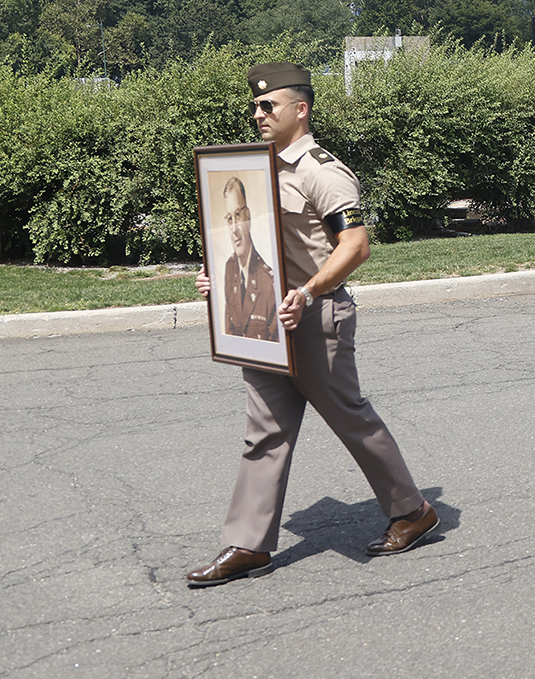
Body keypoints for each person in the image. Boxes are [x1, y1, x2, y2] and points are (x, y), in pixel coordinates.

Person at [184, 62, 438, 589]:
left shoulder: (321, 170)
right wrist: (221, 274)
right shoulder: (254, 168)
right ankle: (248, 545)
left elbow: (356, 245)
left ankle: (413, 512)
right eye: (254, 106)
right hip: (262, 316)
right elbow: (252, 243)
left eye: (267, 105)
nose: (257, 114)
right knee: (264, 433)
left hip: (315, 315)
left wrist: (308, 291)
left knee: (350, 418)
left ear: (300, 110)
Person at [219, 176, 280, 342]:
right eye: (229, 219)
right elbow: (229, 333)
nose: (234, 230)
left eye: (238, 216)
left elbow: (275, 345)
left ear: (248, 217)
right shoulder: (230, 267)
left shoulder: (269, 281)